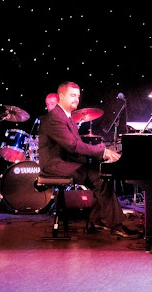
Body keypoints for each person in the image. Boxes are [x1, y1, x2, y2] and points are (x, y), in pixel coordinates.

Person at [38, 81, 140, 238]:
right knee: (99, 177)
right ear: (61, 96)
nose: (76, 99)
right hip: (54, 164)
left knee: (102, 174)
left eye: (78, 96)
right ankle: (113, 224)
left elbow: (76, 145)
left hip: (66, 161)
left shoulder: (68, 117)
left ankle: (97, 219)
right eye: (72, 95)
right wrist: (102, 152)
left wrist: (98, 157)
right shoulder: (55, 117)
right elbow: (73, 146)